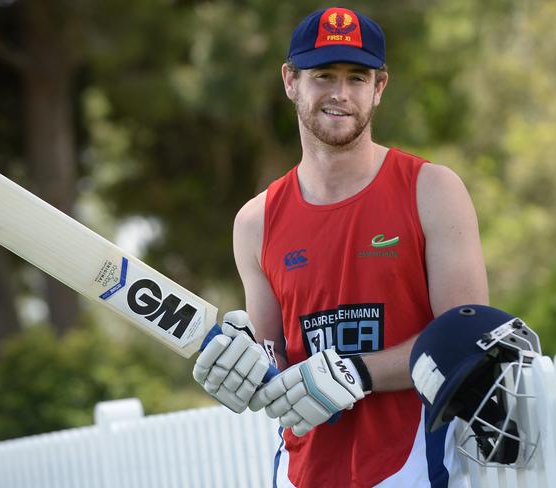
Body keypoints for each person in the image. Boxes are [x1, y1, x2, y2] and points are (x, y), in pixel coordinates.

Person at [193, 6, 488, 487]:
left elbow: (465, 340)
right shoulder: (255, 220)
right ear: (290, 80)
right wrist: (239, 364)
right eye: (323, 75)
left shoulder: (432, 190)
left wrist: (356, 373)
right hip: (301, 471)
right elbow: (275, 359)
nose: (340, 93)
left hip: (415, 464)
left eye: (357, 77)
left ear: (380, 86)